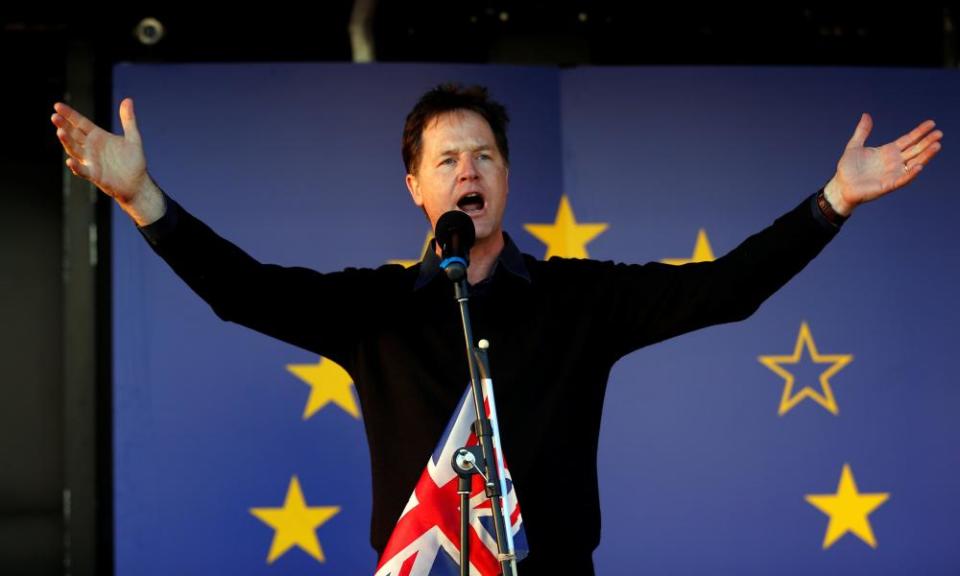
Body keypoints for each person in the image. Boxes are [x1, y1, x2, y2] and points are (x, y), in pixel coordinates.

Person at [51, 84, 941, 574]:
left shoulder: (576, 300)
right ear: (416, 188)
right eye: (447, 158)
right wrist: (143, 201)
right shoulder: (375, 310)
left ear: (505, 180)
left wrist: (833, 202)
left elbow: (726, 290)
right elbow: (242, 290)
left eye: (484, 156)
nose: (468, 170)